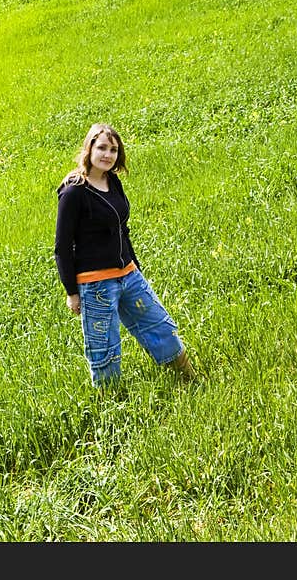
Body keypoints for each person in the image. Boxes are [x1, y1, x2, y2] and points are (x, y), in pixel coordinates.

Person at [54, 122, 196, 388]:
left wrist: (135, 267)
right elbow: (62, 246)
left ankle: (190, 380)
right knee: (105, 350)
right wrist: (71, 292)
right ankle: (112, 408)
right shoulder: (73, 191)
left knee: (161, 328)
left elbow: (122, 230)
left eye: (114, 150)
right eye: (102, 148)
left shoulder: (112, 181)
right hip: (95, 284)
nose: (108, 155)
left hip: (128, 276)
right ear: (89, 148)